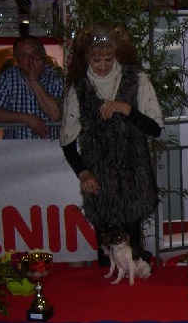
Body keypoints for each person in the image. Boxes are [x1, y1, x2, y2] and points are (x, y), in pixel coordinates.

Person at [60, 22, 163, 266]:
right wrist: (84, 174)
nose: (103, 66)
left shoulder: (137, 79)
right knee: (107, 253)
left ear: (117, 55)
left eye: (108, 59)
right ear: (86, 58)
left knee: (133, 250)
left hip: (134, 174)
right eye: (97, 60)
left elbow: (155, 129)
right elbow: (67, 142)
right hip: (99, 178)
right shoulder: (78, 88)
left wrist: (127, 109)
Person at [0, 35, 63, 139]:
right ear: (17, 60)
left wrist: (34, 81)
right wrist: (25, 118)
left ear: (42, 56)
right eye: (23, 55)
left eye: (34, 53)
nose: (30, 59)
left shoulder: (55, 77)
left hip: (49, 149)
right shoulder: (7, 78)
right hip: (16, 149)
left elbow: (55, 115)